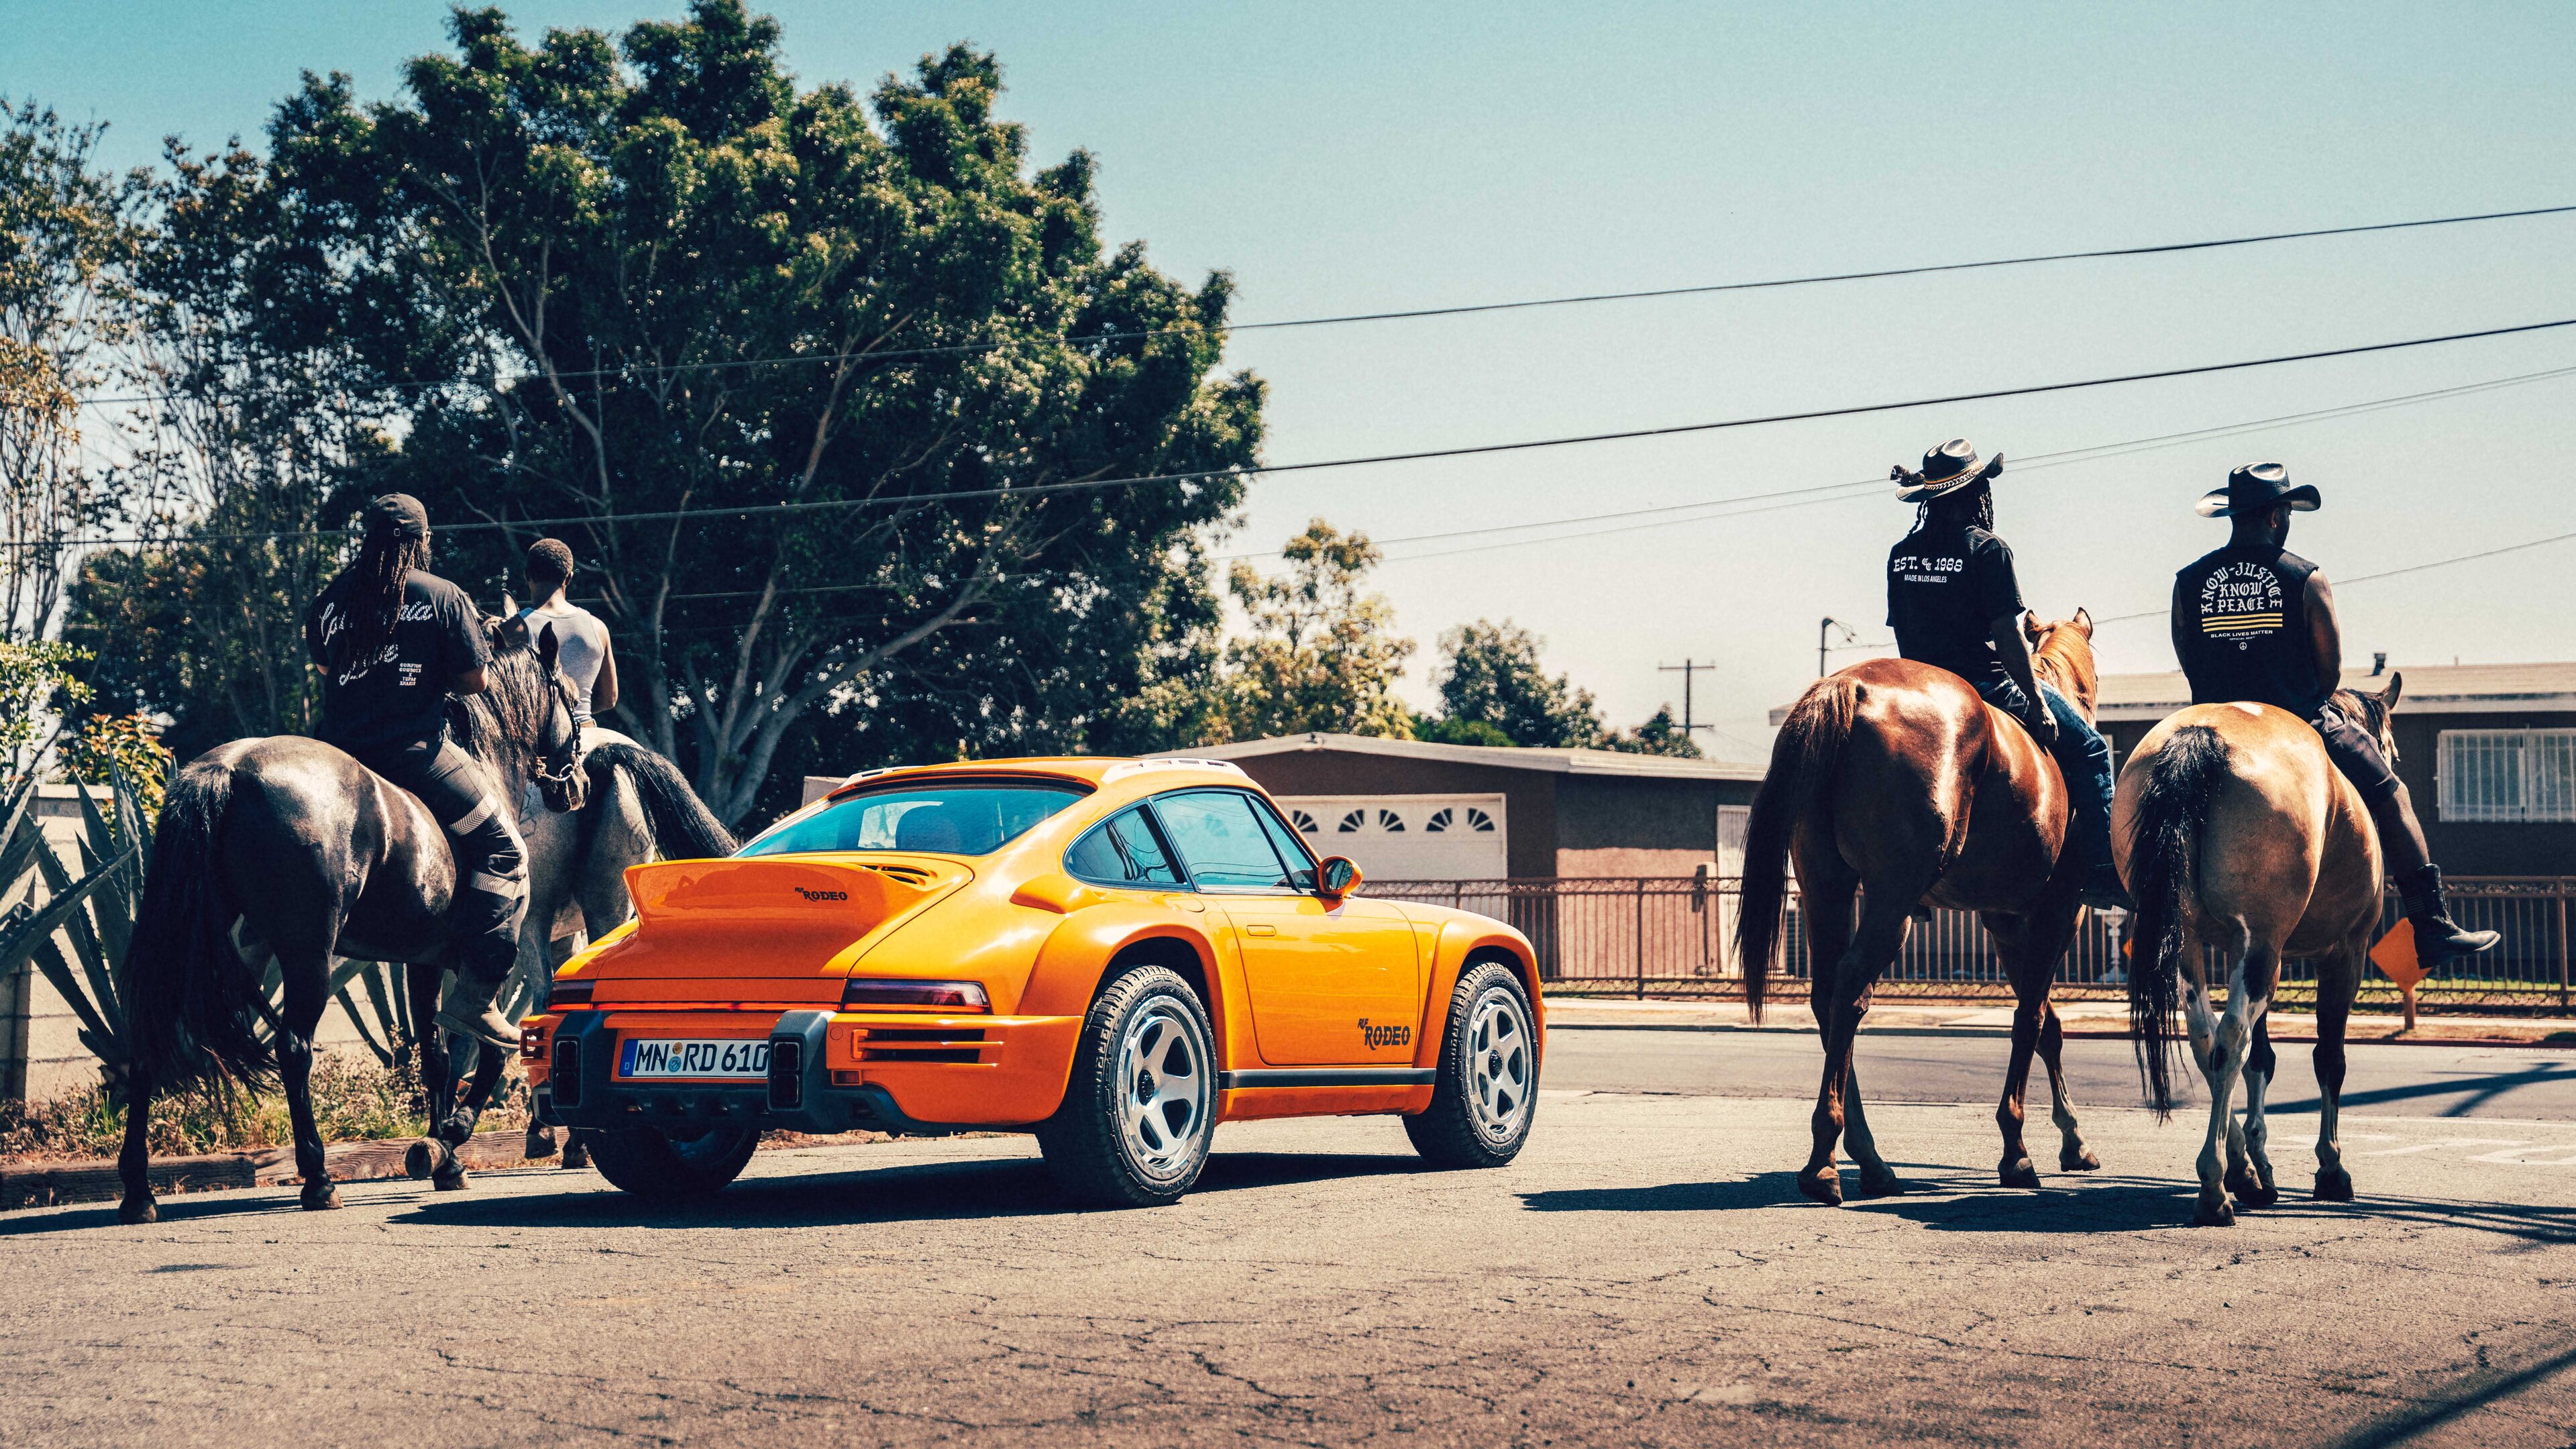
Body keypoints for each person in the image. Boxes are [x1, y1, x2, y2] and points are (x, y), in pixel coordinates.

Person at [2171, 463, 2499, 967]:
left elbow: (2188, 659)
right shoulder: (2306, 577)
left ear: (2234, 516)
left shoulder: (2188, 581)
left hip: (2211, 722)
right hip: (2299, 717)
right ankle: (2432, 925)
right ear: (2278, 516)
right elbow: (2330, 672)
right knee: (2393, 794)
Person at [305, 494, 528, 1049]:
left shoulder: (330, 600)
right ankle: (476, 999)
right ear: (421, 541)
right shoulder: (442, 595)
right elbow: (475, 681)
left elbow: (326, 667)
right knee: (507, 851)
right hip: (415, 755)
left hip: (338, 762)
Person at [1886, 438, 2131, 910]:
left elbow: (1904, 633)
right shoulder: (1988, 549)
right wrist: (2037, 704)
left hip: (1920, 686)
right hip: (1985, 685)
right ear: (1976, 494)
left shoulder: (1903, 553)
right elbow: (2007, 635)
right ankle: (2104, 875)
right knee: (2093, 750)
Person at [516, 537, 616, 725]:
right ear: (569, 578)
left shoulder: (512, 630)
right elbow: (609, 699)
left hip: (536, 741)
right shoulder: (598, 628)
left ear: (527, 575)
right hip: (585, 729)